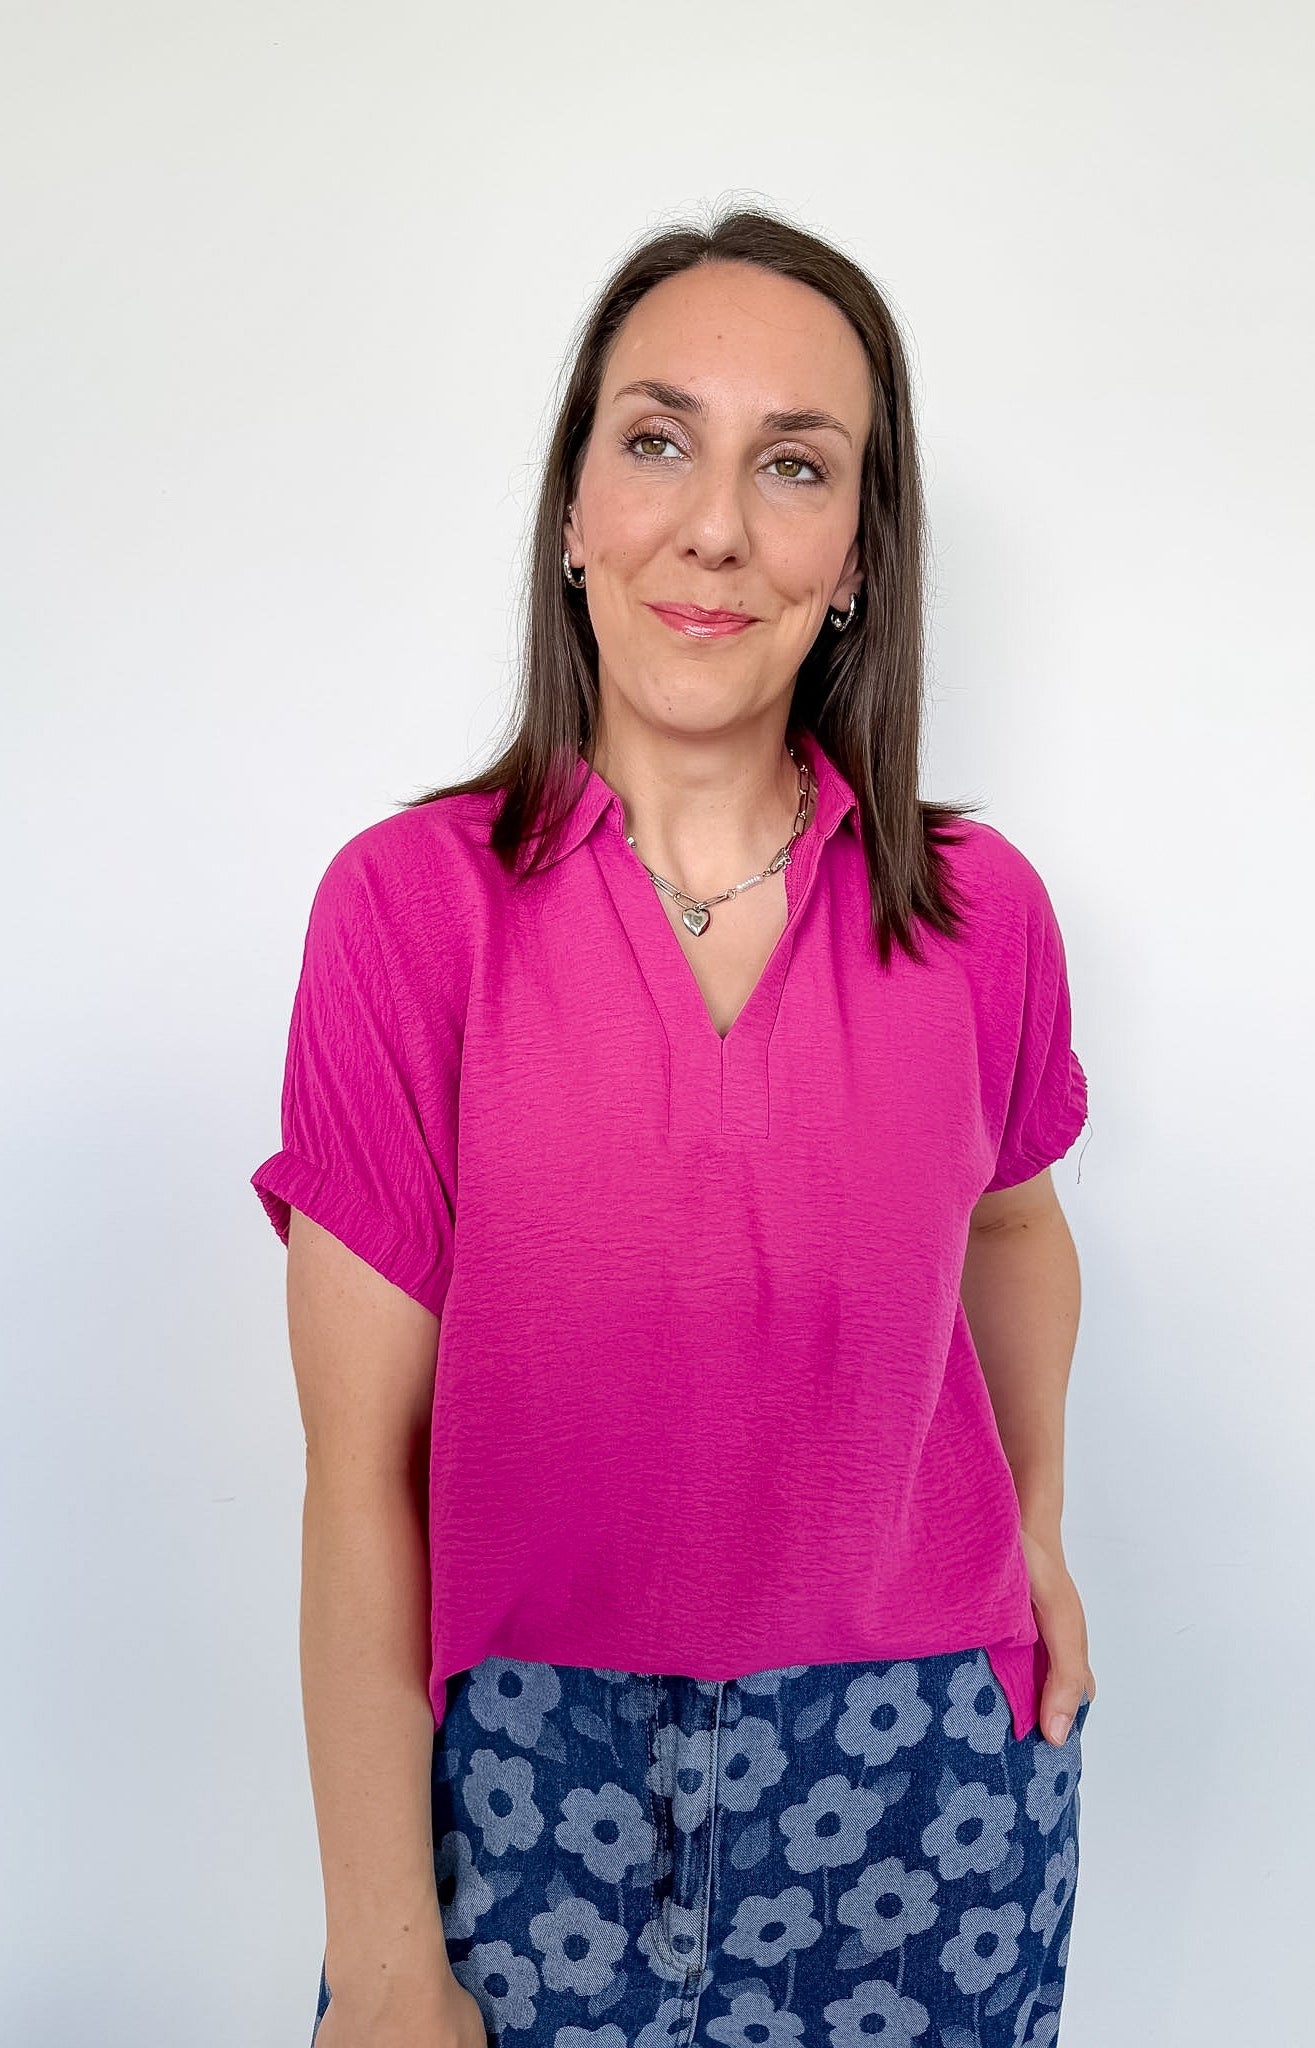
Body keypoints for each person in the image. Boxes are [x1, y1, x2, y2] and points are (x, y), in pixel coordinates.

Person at [251, 204, 1097, 2048]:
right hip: (520, 1803)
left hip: (924, 1791)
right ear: (572, 513)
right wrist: (390, 1960)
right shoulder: (410, 915)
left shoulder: (977, 915)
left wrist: (1034, 1527)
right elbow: (358, 1480)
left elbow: (1014, 1224)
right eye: (657, 441)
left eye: (792, 467)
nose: (714, 524)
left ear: (859, 555)